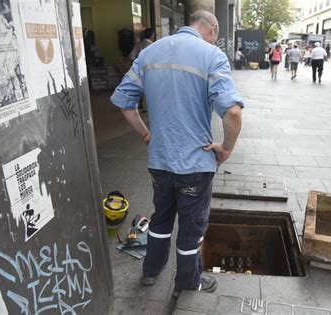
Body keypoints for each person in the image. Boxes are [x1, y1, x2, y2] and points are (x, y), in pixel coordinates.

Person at [110, 10, 243, 298]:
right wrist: (227, 147)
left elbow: (124, 101)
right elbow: (232, 111)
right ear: (211, 29)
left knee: (161, 219)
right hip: (195, 163)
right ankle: (187, 281)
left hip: (160, 160)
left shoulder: (149, 52)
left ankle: (150, 271)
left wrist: (146, 134)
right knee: (192, 227)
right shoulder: (211, 55)